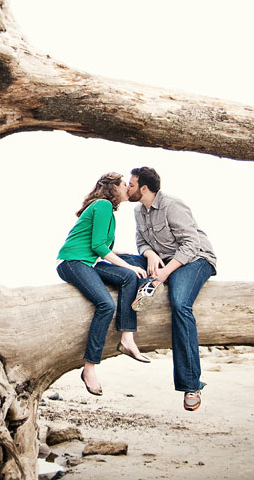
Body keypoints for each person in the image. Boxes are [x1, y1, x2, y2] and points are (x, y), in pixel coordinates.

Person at [127, 166, 217, 412]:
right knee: (120, 263)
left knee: (179, 304)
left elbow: (191, 244)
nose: (127, 188)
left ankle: (191, 384)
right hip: (163, 260)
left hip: (195, 260)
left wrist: (164, 274)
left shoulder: (173, 206)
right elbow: (141, 241)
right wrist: (150, 255)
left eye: (131, 184)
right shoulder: (138, 210)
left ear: (144, 188)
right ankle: (141, 293)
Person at [56, 172, 152, 397]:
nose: (128, 188)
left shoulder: (108, 211)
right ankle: (89, 368)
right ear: (114, 188)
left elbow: (103, 247)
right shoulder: (102, 205)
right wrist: (128, 265)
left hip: (87, 263)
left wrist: (129, 259)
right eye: (124, 184)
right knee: (106, 305)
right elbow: (99, 246)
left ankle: (127, 338)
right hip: (72, 262)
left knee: (130, 277)